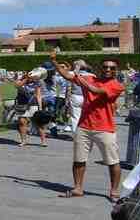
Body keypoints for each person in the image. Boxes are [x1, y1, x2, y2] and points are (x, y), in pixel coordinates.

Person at [53, 52, 125, 201]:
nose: (108, 70)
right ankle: (78, 188)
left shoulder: (116, 86)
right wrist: (54, 62)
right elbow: (67, 76)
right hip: (84, 126)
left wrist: (78, 75)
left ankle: (114, 191)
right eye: (105, 67)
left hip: (105, 128)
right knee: (78, 159)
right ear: (100, 68)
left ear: (116, 70)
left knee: (112, 161)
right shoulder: (90, 78)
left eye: (112, 68)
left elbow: (96, 91)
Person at [14, 72, 43, 147]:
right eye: (29, 75)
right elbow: (17, 85)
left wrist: (40, 107)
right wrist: (26, 79)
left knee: (38, 122)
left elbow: (38, 95)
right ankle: (24, 141)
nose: (31, 77)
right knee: (22, 122)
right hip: (21, 105)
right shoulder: (20, 81)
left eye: (32, 75)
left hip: (33, 104)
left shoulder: (37, 83)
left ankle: (43, 140)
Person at [65, 60, 93, 133]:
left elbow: (68, 88)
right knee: (87, 116)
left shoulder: (72, 74)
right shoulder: (92, 75)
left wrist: (67, 99)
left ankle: (75, 133)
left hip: (75, 96)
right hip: (87, 96)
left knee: (75, 117)